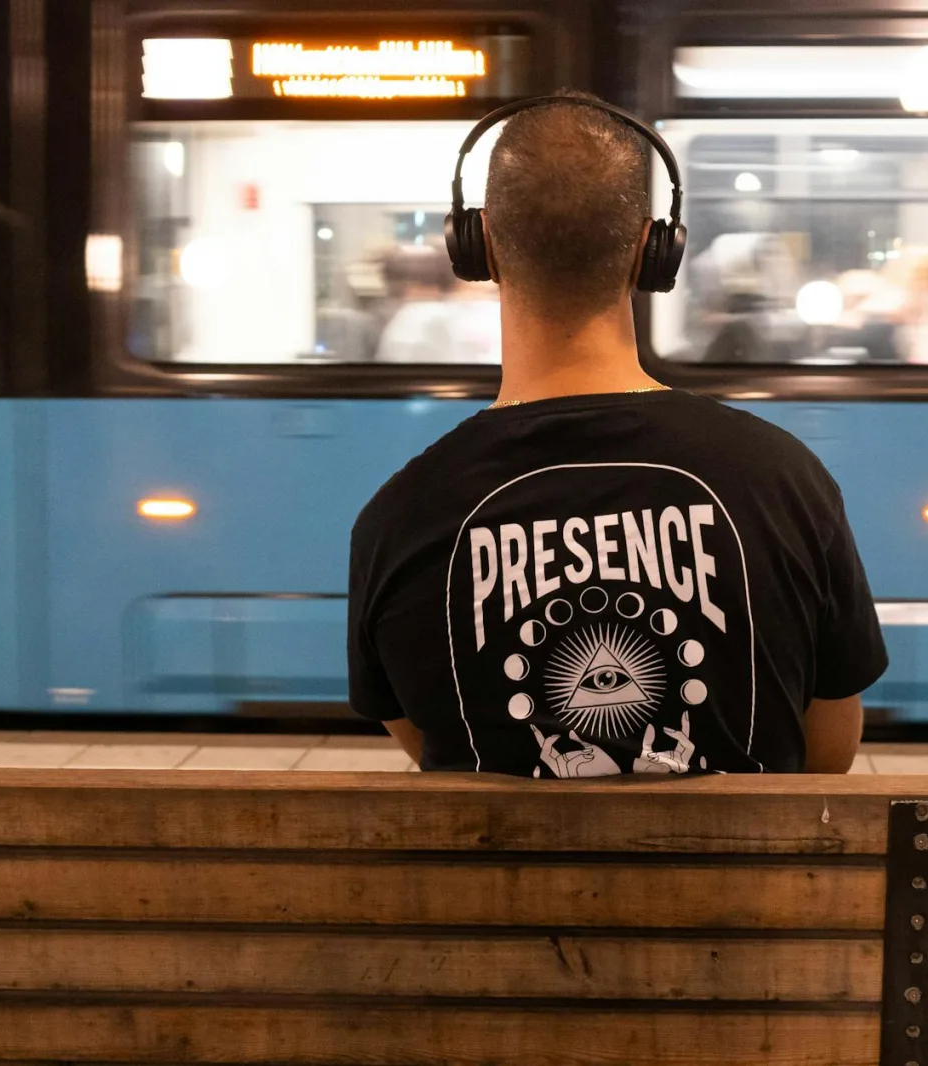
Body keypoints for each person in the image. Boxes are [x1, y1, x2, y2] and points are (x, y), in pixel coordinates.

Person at [347, 91, 886, 776]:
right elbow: (829, 753)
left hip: (501, 885)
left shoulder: (398, 516)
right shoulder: (785, 479)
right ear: (652, 250)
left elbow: (433, 749)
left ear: (478, 245)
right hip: (747, 886)